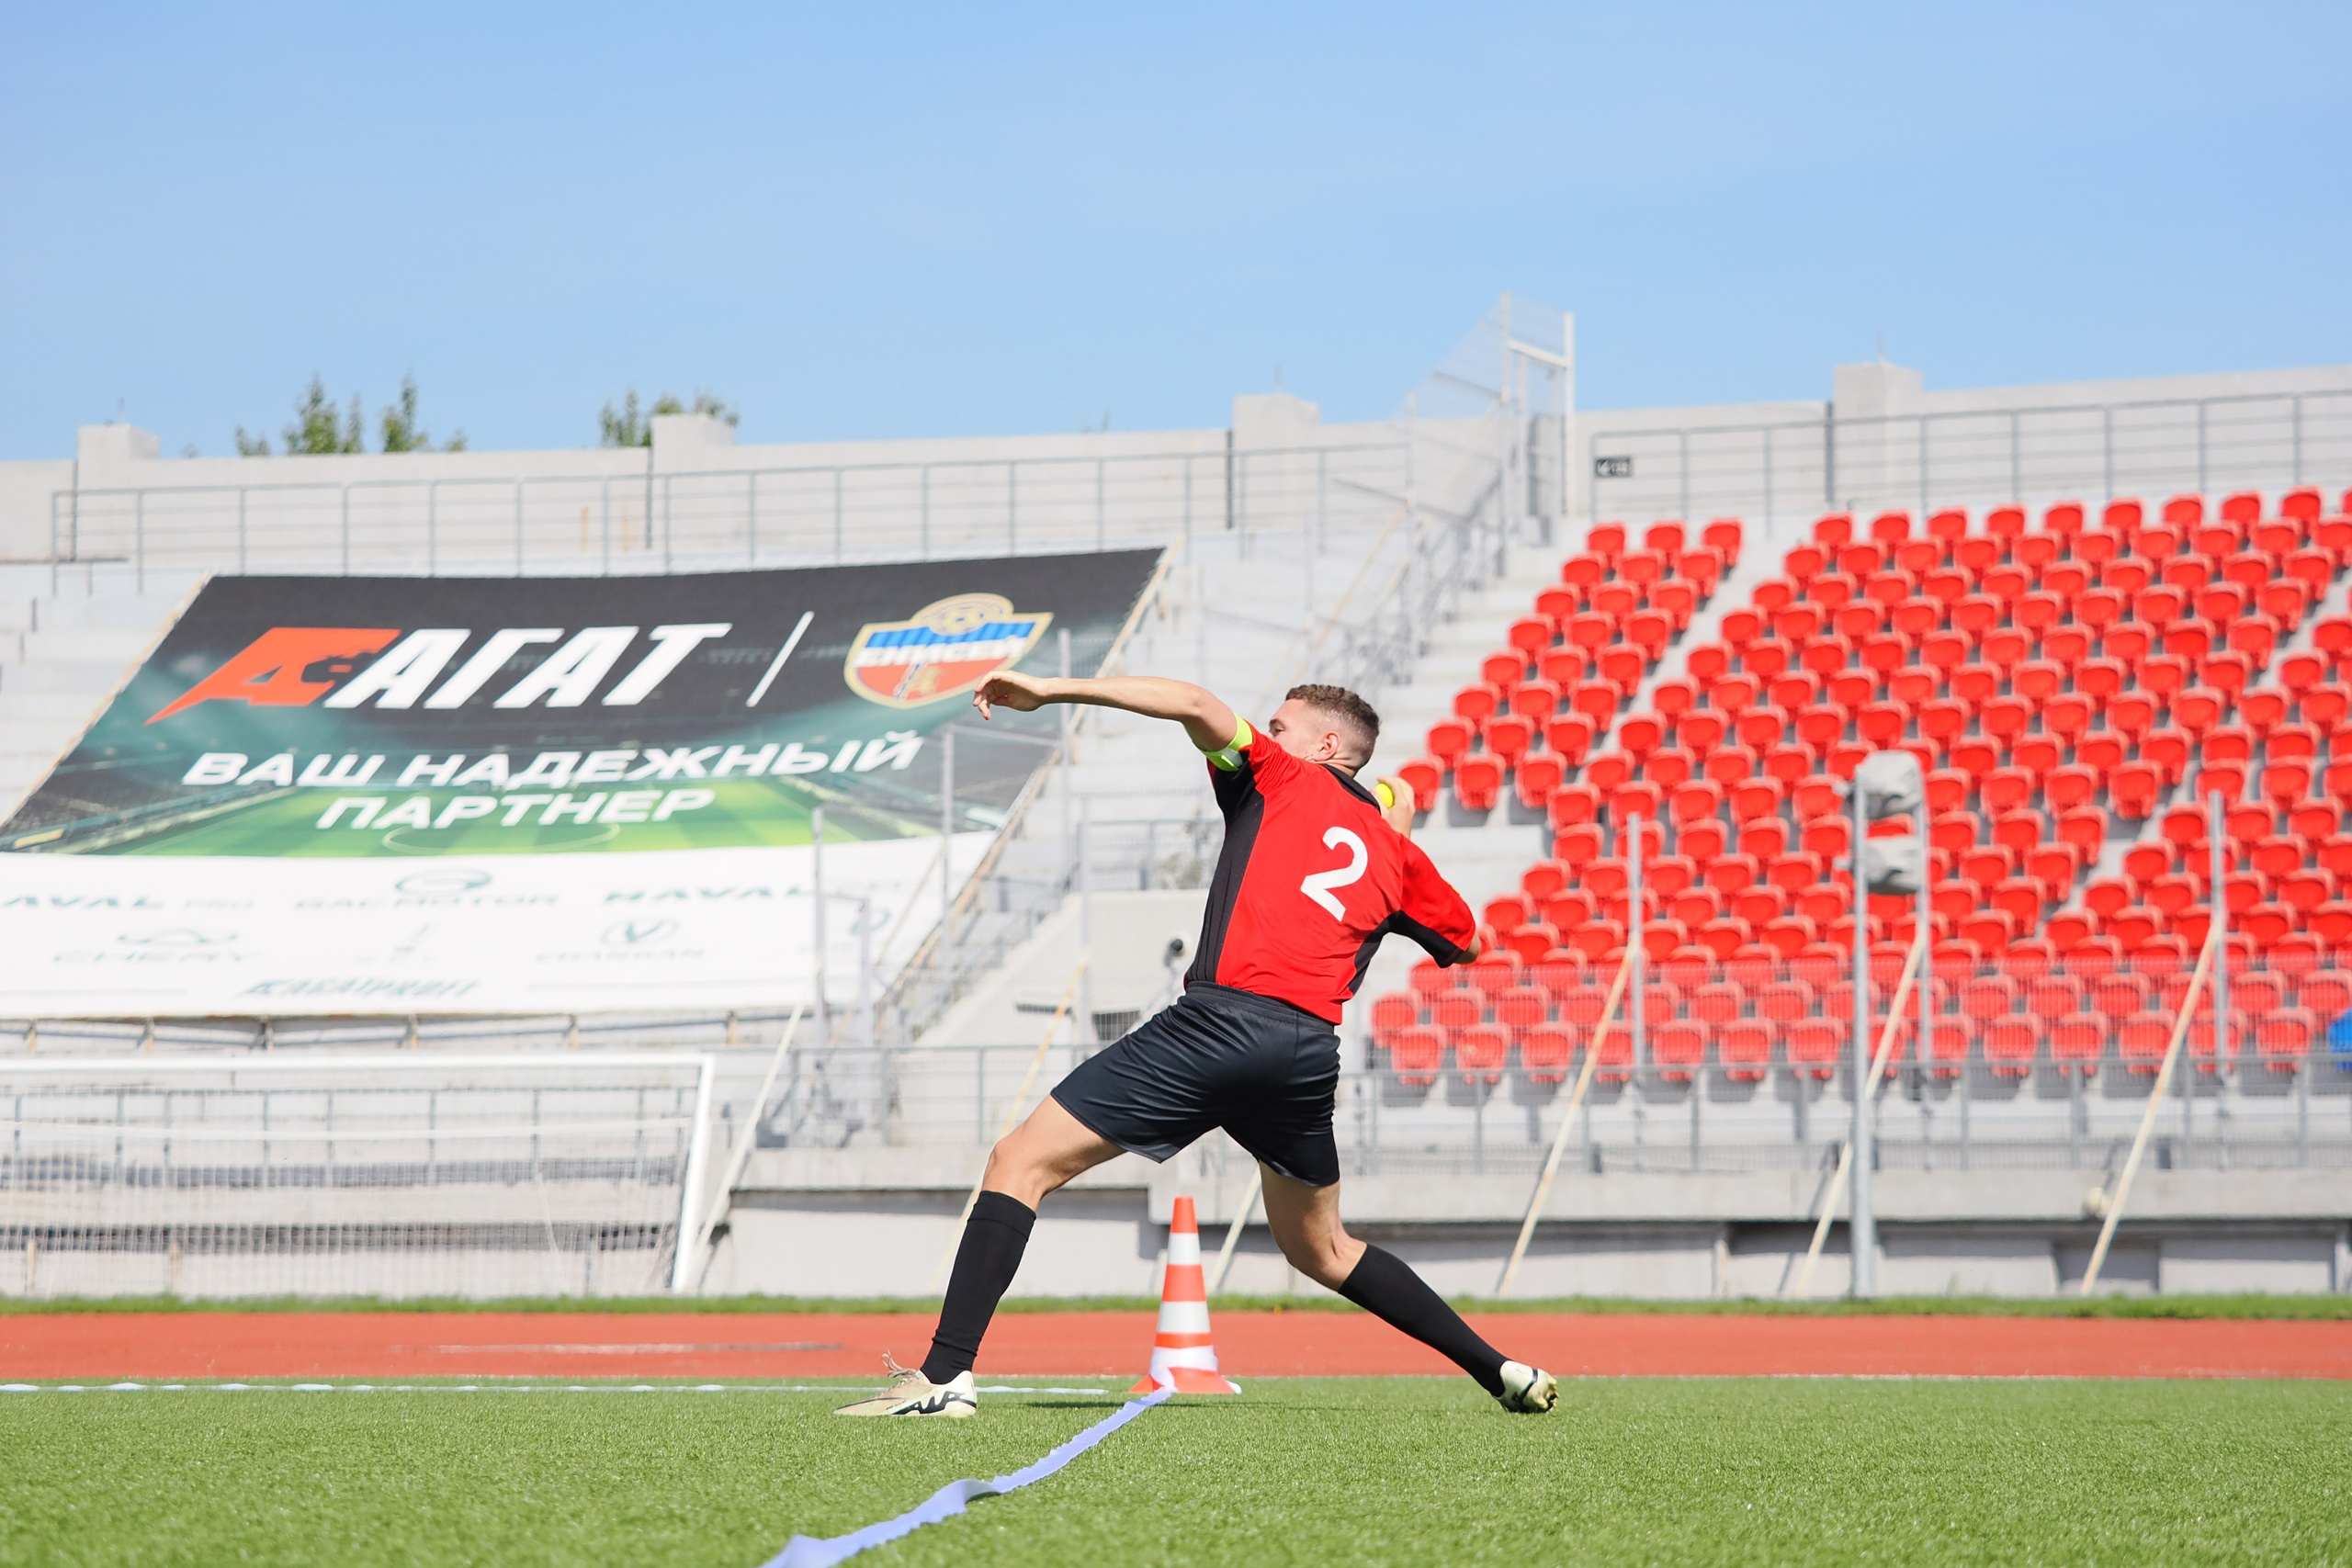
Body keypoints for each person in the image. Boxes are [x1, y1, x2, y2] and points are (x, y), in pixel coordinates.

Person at [835, 675, 1557, 1417]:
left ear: (1325, 746)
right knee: (1324, 1250)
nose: (1268, 734)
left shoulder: (1279, 773)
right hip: (1305, 1055)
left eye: (1282, 724)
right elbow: (1475, 943)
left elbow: (1193, 701)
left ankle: (945, 1377)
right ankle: (1499, 1368)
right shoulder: (1394, 854)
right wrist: (1396, 837)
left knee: (1018, 1162)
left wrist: (1051, 689)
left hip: (1220, 1026)